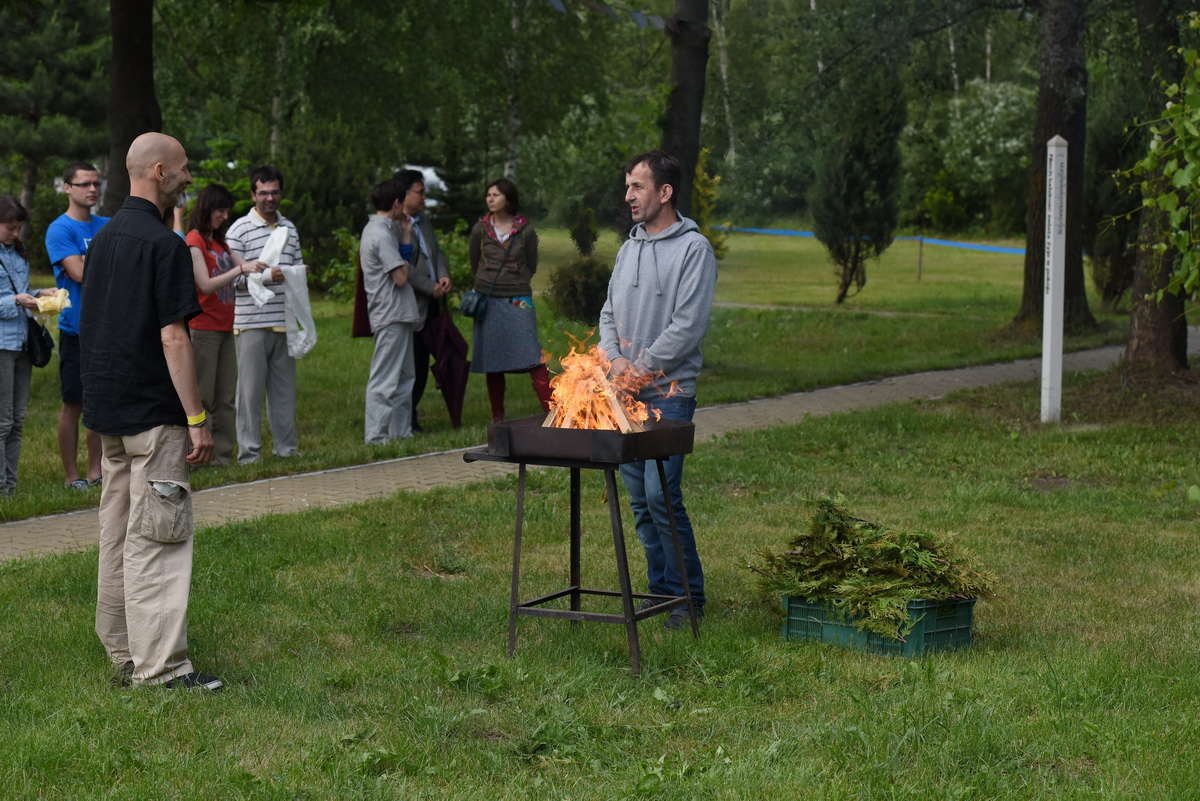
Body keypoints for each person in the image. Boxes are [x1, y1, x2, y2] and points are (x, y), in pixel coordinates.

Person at [81, 132, 221, 690]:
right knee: (159, 538)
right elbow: (174, 337)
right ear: (159, 171)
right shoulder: (164, 245)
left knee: (117, 532)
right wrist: (197, 417)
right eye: (183, 168)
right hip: (153, 414)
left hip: (109, 413)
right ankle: (160, 668)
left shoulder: (103, 240)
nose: (188, 177)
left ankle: (122, 650)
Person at [598, 151, 717, 630]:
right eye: (627, 186)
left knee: (662, 496)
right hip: (625, 393)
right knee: (640, 502)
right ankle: (661, 592)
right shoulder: (628, 249)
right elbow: (608, 313)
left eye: (638, 187)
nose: (628, 196)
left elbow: (687, 326)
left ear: (665, 193)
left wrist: (641, 369)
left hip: (670, 394)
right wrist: (615, 362)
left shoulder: (694, 250)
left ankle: (689, 599)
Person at [225, 165, 302, 464]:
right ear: (252, 195)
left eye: (275, 192)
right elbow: (230, 280)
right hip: (251, 323)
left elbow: (296, 268)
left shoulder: (289, 229)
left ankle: (287, 450)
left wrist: (297, 274)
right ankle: (249, 454)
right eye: (263, 193)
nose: (269, 198)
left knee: (284, 391)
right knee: (249, 393)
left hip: (284, 320)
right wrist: (269, 276)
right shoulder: (238, 230)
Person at [185, 184, 265, 465]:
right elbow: (205, 285)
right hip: (203, 328)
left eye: (226, 211)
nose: (224, 216)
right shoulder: (194, 241)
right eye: (220, 210)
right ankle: (199, 457)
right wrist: (239, 270)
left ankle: (222, 457)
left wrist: (260, 267)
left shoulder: (220, 242)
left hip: (226, 327)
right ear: (207, 208)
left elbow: (245, 264)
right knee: (203, 396)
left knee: (226, 397)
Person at [44, 162, 108, 490]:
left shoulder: (107, 224)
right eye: (84, 184)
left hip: (107, 328)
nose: (92, 189)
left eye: (96, 183)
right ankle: (72, 476)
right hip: (76, 329)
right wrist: (105, 264)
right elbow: (80, 274)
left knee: (100, 401)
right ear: (67, 188)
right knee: (74, 403)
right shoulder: (60, 229)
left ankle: (96, 470)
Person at [466, 178, 552, 422]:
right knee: (493, 359)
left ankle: (552, 410)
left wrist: (515, 280)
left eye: (496, 195)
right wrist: (487, 280)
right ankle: (498, 417)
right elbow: (474, 260)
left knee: (532, 354)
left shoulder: (526, 230)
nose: (490, 199)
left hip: (518, 299)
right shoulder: (480, 229)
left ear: (509, 198)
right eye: (488, 195)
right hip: (488, 300)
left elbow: (531, 263)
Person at [0, 198, 56, 496]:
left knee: (18, 419)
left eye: (18, 227)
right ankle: (1, 487)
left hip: (22, 343)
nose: (15, 233)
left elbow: (20, 293)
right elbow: (12, 298)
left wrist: (39, 293)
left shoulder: (18, 254)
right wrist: (16, 301)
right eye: (10, 227)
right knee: (3, 420)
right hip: (2, 345)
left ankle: (11, 485)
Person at [359, 178, 422, 444]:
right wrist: (405, 247)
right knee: (385, 377)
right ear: (396, 203)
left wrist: (405, 233)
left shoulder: (386, 229)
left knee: (405, 376)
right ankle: (376, 435)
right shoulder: (380, 234)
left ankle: (400, 432)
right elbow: (400, 277)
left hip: (399, 313)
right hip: (390, 312)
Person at [392, 169, 451, 431]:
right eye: (420, 192)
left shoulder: (423, 221)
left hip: (433, 305)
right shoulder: (395, 224)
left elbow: (436, 252)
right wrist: (429, 287)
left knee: (424, 360)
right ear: (404, 194)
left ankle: (412, 413)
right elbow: (402, 265)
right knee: (411, 362)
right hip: (411, 303)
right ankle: (406, 418)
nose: (424, 197)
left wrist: (443, 275)